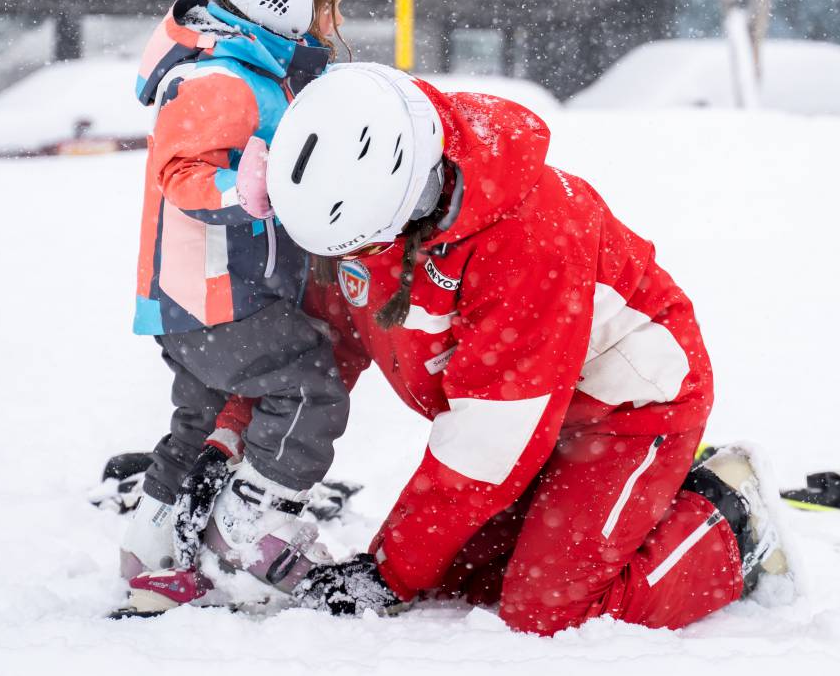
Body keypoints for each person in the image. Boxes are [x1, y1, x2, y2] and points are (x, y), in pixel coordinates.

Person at [266, 63, 791, 635]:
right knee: (459, 575)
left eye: (365, 246)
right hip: (539, 418)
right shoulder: (365, 208)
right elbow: (319, 348)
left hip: (630, 410)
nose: (354, 261)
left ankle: (728, 516)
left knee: (548, 611)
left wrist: (388, 572)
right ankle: (631, 505)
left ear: (409, 201)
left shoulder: (530, 239)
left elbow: (488, 444)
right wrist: (238, 452)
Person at [118, 0, 379, 605]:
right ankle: (250, 526)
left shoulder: (258, 68)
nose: (334, 20)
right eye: (326, 1)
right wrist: (251, 188)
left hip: (205, 299)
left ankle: (150, 554)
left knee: (200, 419)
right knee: (309, 385)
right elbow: (180, 175)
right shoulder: (218, 78)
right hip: (214, 296)